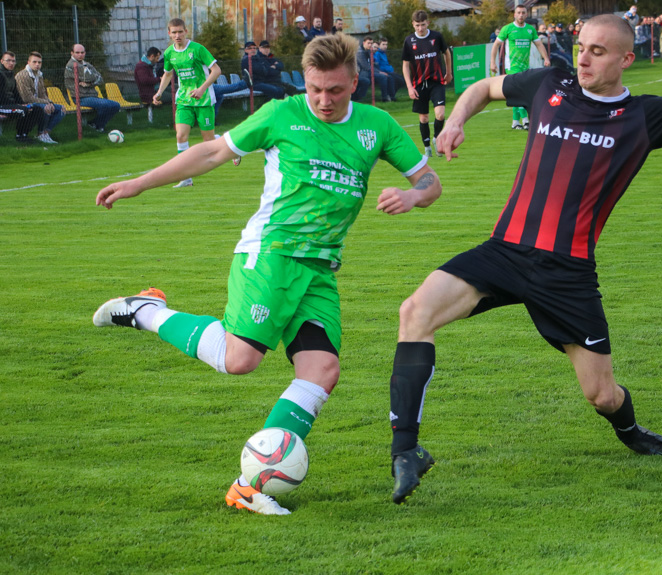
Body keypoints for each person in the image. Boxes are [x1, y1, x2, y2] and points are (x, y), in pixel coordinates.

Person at [386, 12, 662, 505]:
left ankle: (631, 433)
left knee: (601, 396)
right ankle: (406, 451)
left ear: (626, 58)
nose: (583, 57)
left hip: (567, 273)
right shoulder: (549, 82)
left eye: (598, 51)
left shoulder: (645, 115)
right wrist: (454, 120)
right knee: (415, 312)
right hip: (505, 251)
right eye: (581, 46)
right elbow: (485, 89)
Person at [93, 33, 442, 517]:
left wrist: (413, 196)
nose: (324, 99)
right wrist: (138, 183)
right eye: (316, 88)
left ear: (355, 82)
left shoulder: (377, 126)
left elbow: (429, 181)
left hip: (321, 268)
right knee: (240, 360)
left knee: (322, 371)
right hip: (271, 254)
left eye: (336, 90)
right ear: (306, 81)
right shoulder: (282, 114)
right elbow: (212, 153)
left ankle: (248, 485)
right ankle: (147, 310)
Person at [153, 18, 225, 188]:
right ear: (169, 33)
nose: (177, 35)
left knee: (208, 142)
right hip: (184, 100)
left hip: (204, 99)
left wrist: (202, 89)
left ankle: (226, 142)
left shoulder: (197, 49)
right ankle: (185, 177)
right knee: (180, 135)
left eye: (180, 32)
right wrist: (159, 92)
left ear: (186, 31)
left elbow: (216, 71)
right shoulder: (169, 53)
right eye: (174, 32)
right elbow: (168, 74)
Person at [402, 10, 453, 157]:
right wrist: (409, 87)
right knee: (423, 118)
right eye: (417, 25)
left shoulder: (436, 37)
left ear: (428, 23)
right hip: (419, 84)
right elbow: (405, 65)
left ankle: (437, 139)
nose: (420, 28)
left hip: (436, 82)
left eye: (423, 25)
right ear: (413, 24)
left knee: (440, 114)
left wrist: (449, 73)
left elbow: (447, 53)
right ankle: (427, 148)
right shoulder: (409, 41)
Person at [491, 5, 550, 130]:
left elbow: (539, 44)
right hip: (512, 67)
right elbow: (496, 45)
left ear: (526, 15)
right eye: (519, 12)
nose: (521, 15)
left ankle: (515, 122)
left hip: (525, 66)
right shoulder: (508, 29)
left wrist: (546, 58)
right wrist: (493, 62)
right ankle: (526, 121)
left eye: (523, 12)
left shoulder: (530, 30)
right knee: (521, 92)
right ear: (514, 14)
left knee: (517, 94)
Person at [64, 44, 120, 132]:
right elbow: (88, 78)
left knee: (116, 105)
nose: (80, 55)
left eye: (82, 52)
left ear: (85, 53)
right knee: (106, 105)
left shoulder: (86, 64)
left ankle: (95, 124)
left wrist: (89, 84)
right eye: (77, 52)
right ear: (72, 53)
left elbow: (100, 79)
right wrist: (92, 79)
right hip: (80, 97)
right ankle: (97, 126)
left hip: (92, 96)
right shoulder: (71, 65)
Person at [15, 51, 64, 144]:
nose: (37, 64)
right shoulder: (22, 75)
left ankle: (45, 133)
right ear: (28, 62)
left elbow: (42, 93)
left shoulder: (39, 75)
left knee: (62, 109)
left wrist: (50, 102)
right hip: (26, 103)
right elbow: (27, 98)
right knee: (46, 108)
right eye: (34, 62)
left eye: (39, 62)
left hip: (38, 102)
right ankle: (40, 133)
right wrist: (46, 104)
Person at [0, 51, 44, 144]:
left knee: (36, 109)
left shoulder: (11, 74)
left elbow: (15, 93)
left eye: (13, 61)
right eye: (8, 61)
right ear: (2, 61)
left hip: (11, 105)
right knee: (22, 110)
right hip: (2, 106)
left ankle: (25, 134)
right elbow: (2, 96)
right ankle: (19, 136)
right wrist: (18, 105)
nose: (11, 63)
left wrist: (22, 103)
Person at [358, 36, 395, 102]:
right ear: (364, 43)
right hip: (362, 73)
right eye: (368, 43)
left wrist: (378, 71)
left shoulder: (369, 51)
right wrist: (379, 72)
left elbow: (371, 64)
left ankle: (392, 97)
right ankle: (384, 98)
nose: (370, 45)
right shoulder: (360, 52)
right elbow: (366, 66)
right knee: (383, 77)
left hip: (369, 71)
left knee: (389, 77)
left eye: (371, 43)